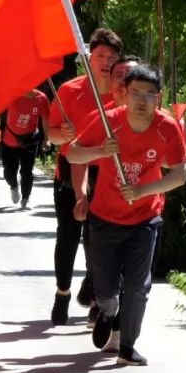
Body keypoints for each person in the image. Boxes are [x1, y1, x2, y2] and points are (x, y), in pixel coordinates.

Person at [68, 64, 186, 366]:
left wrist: (143, 190)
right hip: (105, 218)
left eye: (149, 94)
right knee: (106, 290)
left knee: (138, 286)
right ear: (124, 93)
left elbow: (179, 175)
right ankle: (107, 310)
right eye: (135, 92)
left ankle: (127, 346)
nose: (141, 100)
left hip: (145, 219)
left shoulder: (167, 127)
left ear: (158, 97)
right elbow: (73, 153)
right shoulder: (108, 121)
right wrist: (101, 151)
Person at [45, 28, 121, 325]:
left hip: (107, 174)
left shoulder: (122, 93)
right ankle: (62, 293)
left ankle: (96, 294)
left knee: (98, 239)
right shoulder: (69, 91)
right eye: (100, 56)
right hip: (70, 169)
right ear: (89, 59)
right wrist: (61, 133)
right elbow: (51, 135)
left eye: (111, 57)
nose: (106, 62)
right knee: (68, 235)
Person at [73, 54, 143, 330]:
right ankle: (100, 296)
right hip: (101, 201)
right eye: (118, 77)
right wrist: (81, 195)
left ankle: (119, 328)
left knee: (135, 276)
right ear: (111, 83)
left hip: (141, 209)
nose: (124, 83)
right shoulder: (100, 118)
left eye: (130, 77)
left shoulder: (158, 120)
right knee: (99, 260)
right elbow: (77, 157)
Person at [0, 89, 50, 209]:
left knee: (27, 171)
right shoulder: (12, 94)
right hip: (10, 141)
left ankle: (25, 198)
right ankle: (14, 186)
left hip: (30, 141)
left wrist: (47, 139)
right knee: (9, 173)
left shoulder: (41, 98)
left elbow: (46, 119)